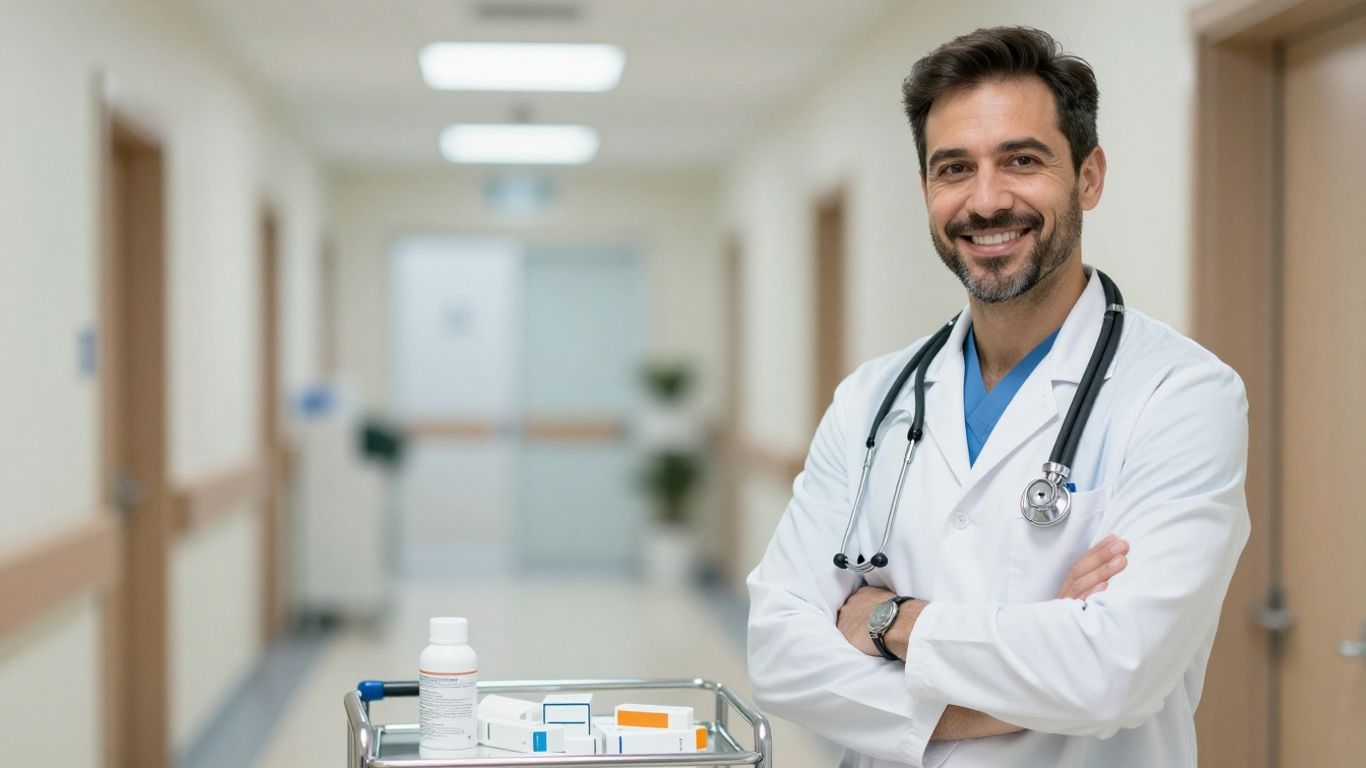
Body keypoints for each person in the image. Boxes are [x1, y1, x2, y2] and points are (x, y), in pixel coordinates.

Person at [746, 26, 1248, 768]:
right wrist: (1034, 655)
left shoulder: (1182, 395)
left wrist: (886, 620)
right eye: (954, 168)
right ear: (926, 190)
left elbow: (1115, 673)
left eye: (1021, 160)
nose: (986, 200)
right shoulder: (870, 401)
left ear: (1089, 177)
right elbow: (780, 654)